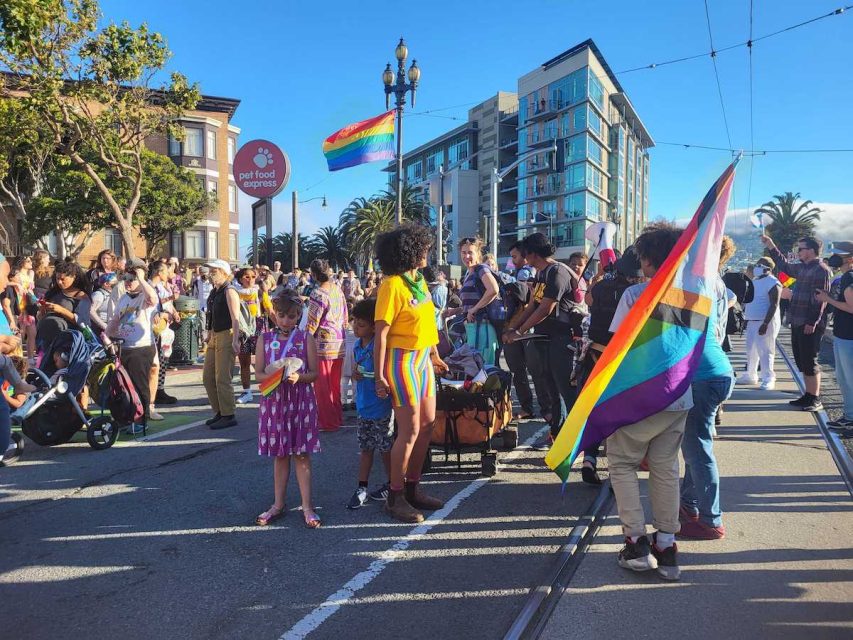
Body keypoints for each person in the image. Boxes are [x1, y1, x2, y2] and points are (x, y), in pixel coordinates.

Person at [605, 224, 689, 581]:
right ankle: (667, 545)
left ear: (650, 259)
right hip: (679, 393)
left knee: (622, 462)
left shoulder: (635, 294)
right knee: (666, 466)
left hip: (639, 394)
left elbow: (618, 347)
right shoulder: (696, 295)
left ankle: (636, 541)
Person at [373, 224, 449, 523]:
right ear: (409, 251)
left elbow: (427, 323)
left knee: (428, 424)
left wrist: (434, 353)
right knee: (410, 429)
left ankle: (413, 488)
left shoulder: (417, 280)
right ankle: (395, 496)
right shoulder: (392, 285)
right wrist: (379, 375)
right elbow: (381, 334)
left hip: (422, 359)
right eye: (423, 248)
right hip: (401, 361)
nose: (427, 252)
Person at [678, 236, 737, 541]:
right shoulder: (713, 281)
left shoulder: (691, 281)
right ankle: (688, 505)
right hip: (716, 370)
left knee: (697, 450)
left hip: (703, 374)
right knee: (694, 447)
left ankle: (711, 520)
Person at [504, 234, 586, 443]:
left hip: (561, 337)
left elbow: (545, 308)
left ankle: (577, 440)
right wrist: (512, 328)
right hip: (544, 337)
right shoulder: (540, 273)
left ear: (532, 253)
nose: (523, 257)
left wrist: (520, 332)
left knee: (565, 389)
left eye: (524, 253)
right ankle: (557, 434)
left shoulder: (556, 271)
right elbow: (532, 305)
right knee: (551, 387)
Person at [575, 246, 643, 484]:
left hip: (595, 356)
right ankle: (618, 472)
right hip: (622, 360)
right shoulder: (637, 292)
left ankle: (589, 459)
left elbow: (589, 300)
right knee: (621, 416)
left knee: (595, 410)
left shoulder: (601, 286)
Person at [254, 289, 321, 528]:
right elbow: (259, 374)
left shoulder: (306, 338)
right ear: (274, 314)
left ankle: (307, 506)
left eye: (291, 316)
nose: (285, 320)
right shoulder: (264, 338)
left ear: (299, 315)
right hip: (274, 402)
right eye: (281, 315)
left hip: (300, 402)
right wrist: (274, 377)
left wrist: (299, 378)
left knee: (302, 454)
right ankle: (278, 504)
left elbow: (314, 373)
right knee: (280, 455)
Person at [760, 234, 832, 411]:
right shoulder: (803, 268)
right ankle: (808, 395)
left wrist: (812, 321)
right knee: (802, 360)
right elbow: (784, 264)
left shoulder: (820, 270)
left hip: (809, 323)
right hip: (798, 321)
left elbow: (820, 299)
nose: (798, 252)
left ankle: (814, 398)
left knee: (810, 360)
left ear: (811, 251)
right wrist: (771, 244)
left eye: (801, 249)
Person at [346, 298, 394, 509]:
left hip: (381, 406)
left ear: (374, 326)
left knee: (385, 448)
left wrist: (374, 376)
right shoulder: (357, 345)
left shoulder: (380, 345)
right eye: (354, 322)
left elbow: (386, 372)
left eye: (361, 324)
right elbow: (356, 369)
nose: (356, 327)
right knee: (366, 449)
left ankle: (393, 485)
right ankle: (361, 487)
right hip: (363, 405)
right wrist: (356, 374)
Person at [105, 259, 158, 436]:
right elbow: (115, 320)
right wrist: (107, 336)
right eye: (126, 278)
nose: (128, 282)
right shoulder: (123, 299)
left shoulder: (145, 296)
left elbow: (153, 298)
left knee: (139, 384)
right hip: (124, 347)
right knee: (124, 387)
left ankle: (141, 419)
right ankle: (126, 418)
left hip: (141, 348)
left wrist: (142, 278)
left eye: (131, 279)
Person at [502, 240, 551, 422]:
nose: (513, 260)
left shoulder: (534, 274)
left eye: (515, 256)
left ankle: (546, 409)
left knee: (536, 371)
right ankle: (527, 407)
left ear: (526, 255)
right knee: (517, 371)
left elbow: (529, 301)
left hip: (528, 330)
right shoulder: (515, 273)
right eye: (512, 257)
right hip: (511, 328)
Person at [305, 259, 348, 432]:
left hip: (323, 344)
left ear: (314, 275)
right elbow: (345, 315)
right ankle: (336, 418)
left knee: (323, 387)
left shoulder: (318, 293)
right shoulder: (337, 289)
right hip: (339, 342)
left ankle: (328, 422)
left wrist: (304, 340)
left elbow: (312, 323)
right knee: (335, 385)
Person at [817, 242, 853, 429]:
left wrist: (827, 299)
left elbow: (851, 306)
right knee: (844, 378)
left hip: (848, 336)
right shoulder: (845, 276)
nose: (835, 257)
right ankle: (848, 416)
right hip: (843, 334)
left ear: (849, 258)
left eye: (840, 254)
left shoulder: (849, 278)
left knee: (849, 378)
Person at [202, 259, 241, 430]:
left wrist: (235, 339)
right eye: (211, 271)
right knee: (208, 377)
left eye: (215, 271)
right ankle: (219, 411)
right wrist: (209, 333)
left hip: (227, 334)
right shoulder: (215, 291)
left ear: (224, 272)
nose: (211, 274)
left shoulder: (229, 291)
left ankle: (228, 414)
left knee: (222, 377)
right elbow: (211, 316)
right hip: (215, 335)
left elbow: (236, 318)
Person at [451, 237, 501, 365]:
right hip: (474, 328)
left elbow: (493, 290)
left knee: (484, 373)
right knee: (476, 373)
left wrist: (474, 309)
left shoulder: (481, 269)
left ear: (478, 254)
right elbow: (470, 304)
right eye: (463, 252)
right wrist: (453, 311)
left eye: (470, 252)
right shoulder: (469, 273)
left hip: (482, 328)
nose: (467, 256)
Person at [739, 257, 781, 390]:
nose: (756, 267)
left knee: (766, 350)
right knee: (751, 350)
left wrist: (766, 323)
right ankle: (750, 375)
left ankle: (768, 378)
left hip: (765, 322)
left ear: (767, 268)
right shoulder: (755, 281)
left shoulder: (773, 282)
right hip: (752, 320)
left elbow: (774, 304)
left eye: (759, 265)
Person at [36, 259, 93, 353]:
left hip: (66, 341)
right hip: (47, 338)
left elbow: (82, 321)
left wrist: (60, 310)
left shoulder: (81, 295)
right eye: (57, 278)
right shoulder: (53, 292)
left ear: (74, 277)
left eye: (63, 279)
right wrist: (42, 310)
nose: (59, 282)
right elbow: (40, 317)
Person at [148, 261, 179, 417]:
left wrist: (173, 312)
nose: (169, 273)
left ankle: (159, 389)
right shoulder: (151, 287)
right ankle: (154, 394)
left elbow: (166, 303)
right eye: (166, 271)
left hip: (162, 328)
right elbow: (157, 304)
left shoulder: (163, 285)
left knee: (163, 360)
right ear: (159, 272)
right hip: (152, 330)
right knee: (155, 363)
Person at [234, 267, 261, 405]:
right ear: (240, 279)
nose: (250, 279)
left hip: (258, 327)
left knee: (263, 361)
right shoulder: (234, 294)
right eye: (247, 277)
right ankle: (247, 392)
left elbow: (269, 309)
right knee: (244, 362)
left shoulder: (259, 291)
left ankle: (270, 390)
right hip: (243, 329)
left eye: (253, 276)